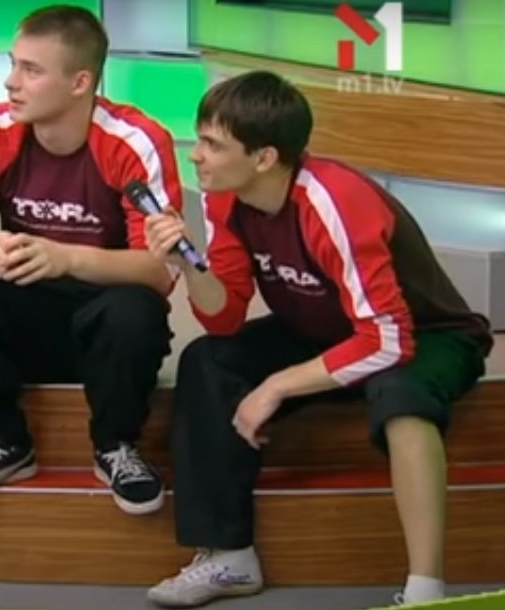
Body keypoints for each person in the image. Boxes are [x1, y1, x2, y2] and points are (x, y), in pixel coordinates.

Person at [144, 70, 492, 607]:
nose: (196, 155)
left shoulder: (335, 202)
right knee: (209, 360)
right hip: (325, 330)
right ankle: (229, 557)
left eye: (213, 144)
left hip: (426, 334)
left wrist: (276, 386)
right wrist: (189, 263)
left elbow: (387, 341)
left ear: (264, 157)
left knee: (400, 394)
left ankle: (426, 590)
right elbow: (224, 319)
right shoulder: (225, 198)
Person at [0, 5, 182, 515]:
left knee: (135, 307)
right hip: (22, 313)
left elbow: (161, 271)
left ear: (80, 82)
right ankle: (4, 439)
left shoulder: (135, 140)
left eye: (31, 70)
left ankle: (115, 446)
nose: (11, 82)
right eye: (13, 64)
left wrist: (66, 258)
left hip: (100, 319)